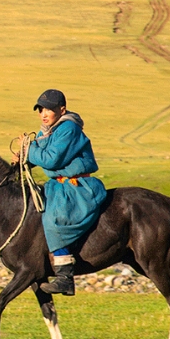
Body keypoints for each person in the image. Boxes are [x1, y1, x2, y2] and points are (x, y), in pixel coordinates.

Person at [17, 89, 107, 296]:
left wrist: (29, 148)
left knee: (54, 217)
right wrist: (23, 157)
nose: (43, 114)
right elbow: (39, 155)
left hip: (77, 187)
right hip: (58, 185)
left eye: (48, 109)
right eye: (40, 110)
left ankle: (64, 276)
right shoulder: (47, 131)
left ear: (62, 109)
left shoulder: (68, 128)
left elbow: (50, 159)